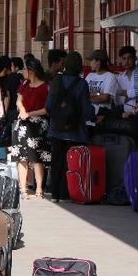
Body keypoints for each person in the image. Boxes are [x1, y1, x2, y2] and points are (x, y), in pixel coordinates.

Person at [45, 52, 93, 202]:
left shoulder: (56, 80)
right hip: (75, 131)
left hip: (56, 129)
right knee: (71, 162)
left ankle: (54, 194)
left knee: (56, 161)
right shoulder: (82, 84)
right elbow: (86, 111)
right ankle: (68, 192)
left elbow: (49, 106)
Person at [12, 58, 50, 199]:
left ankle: (39, 188)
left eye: (25, 69)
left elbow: (46, 109)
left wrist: (30, 113)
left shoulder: (45, 86)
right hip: (22, 125)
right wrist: (22, 110)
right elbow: (18, 100)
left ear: (31, 71)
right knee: (21, 157)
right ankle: (23, 189)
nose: (23, 72)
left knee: (37, 158)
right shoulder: (24, 84)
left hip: (38, 125)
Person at [85, 49, 119, 121]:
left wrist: (87, 97)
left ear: (98, 62)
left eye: (92, 60)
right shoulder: (90, 76)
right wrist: (98, 94)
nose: (90, 63)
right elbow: (83, 93)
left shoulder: (110, 76)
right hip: (86, 116)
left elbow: (105, 98)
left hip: (101, 117)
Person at [115, 46, 138, 114]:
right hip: (125, 115)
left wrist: (125, 93)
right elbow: (116, 100)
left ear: (135, 58)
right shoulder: (119, 78)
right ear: (121, 60)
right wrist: (126, 98)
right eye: (124, 58)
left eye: (129, 58)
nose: (126, 61)